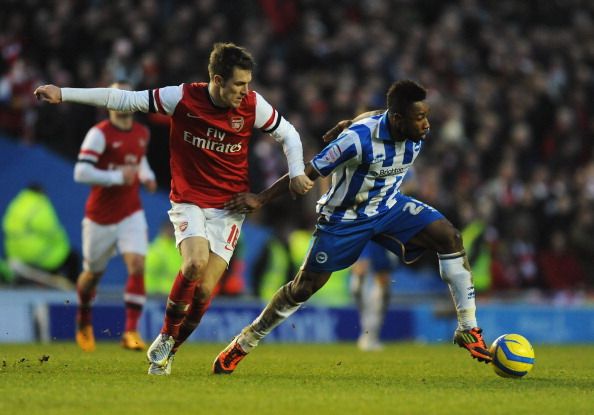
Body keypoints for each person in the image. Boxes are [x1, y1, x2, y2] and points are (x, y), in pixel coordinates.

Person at [34, 42, 313, 374]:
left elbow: (290, 135)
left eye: (248, 83)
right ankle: (166, 336)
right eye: (239, 84)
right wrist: (63, 93)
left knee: (205, 291)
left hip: (229, 208)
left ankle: (170, 351)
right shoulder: (182, 98)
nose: (245, 91)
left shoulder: (253, 106)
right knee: (194, 264)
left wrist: (296, 171)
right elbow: (124, 99)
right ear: (217, 79)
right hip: (190, 200)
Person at [213, 80, 492, 375]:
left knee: (449, 237)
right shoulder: (357, 141)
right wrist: (261, 198)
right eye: (420, 117)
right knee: (303, 288)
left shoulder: (403, 125)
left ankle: (468, 328)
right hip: (344, 219)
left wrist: (350, 119)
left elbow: (378, 114)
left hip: (388, 207)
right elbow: (307, 171)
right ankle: (245, 342)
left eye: (426, 115)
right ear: (398, 119)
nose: (426, 124)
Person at [72, 81, 157, 352]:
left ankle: (130, 331)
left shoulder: (142, 132)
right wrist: (116, 177)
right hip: (100, 217)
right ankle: (84, 317)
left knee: (138, 265)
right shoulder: (99, 134)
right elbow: (81, 173)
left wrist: (147, 175)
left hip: (130, 211)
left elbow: (138, 159)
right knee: (91, 275)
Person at [2, 184, 80, 288]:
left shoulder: (16, 204)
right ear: (41, 192)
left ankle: (47, 279)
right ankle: (74, 291)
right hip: (38, 255)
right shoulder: (39, 204)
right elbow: (51, 230)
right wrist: (63, 244)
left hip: (14, 255)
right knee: (72, 257)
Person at [350, 241, 397, 351]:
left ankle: (369, 338)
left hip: (369, 252)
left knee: (371, 306)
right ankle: (369, 338)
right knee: (375, 306)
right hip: (371, 257)